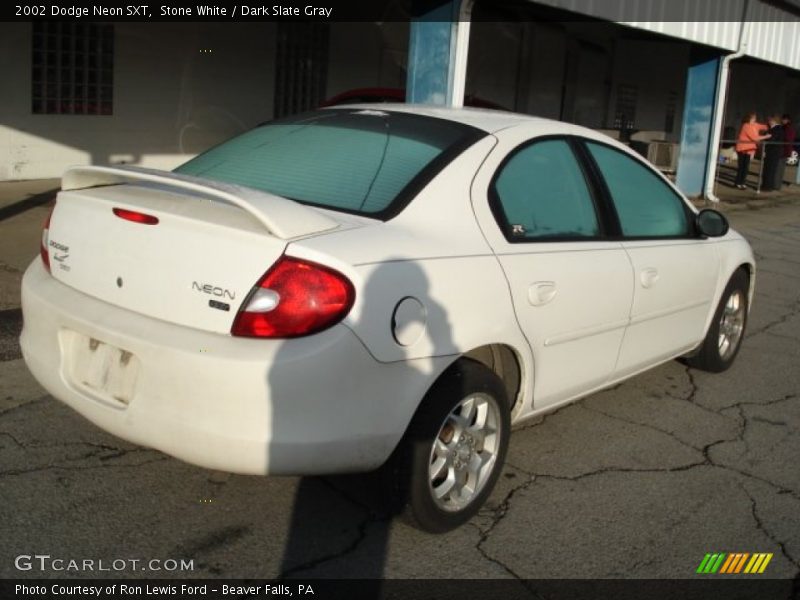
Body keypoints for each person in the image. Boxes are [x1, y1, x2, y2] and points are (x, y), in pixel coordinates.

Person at [734, 113, 770, 189]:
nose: (754, 119)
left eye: (754, 118)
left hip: (748, 150)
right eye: (753, 118)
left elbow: (762, 126)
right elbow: (754, 138)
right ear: (748, 118)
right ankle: (737, 183)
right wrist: (766, 136)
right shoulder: (746, 126)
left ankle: (742, 182)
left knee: (746, 167)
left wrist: (769, 123)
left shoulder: (754, 125)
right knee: (741, 167)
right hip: (742, 149)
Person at [761, 115, 784, 191]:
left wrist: (766, 138)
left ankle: (767, 186)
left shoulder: (777, 128)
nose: (768, 122)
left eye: (770, 120)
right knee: (768, 169)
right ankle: (766, 185)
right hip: (772, 151)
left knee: (769, 169)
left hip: (773, 152)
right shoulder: (774, 128)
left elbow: (772, 139)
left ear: (774, 121)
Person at [782, 114, 796, 186]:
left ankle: (783, 180)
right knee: (783, 166)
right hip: (786, 149)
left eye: (784, 119)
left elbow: (787, 138)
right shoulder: (789, 127)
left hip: (785, 149)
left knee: (782, 166)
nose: (783, 121)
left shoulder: (787, 128)